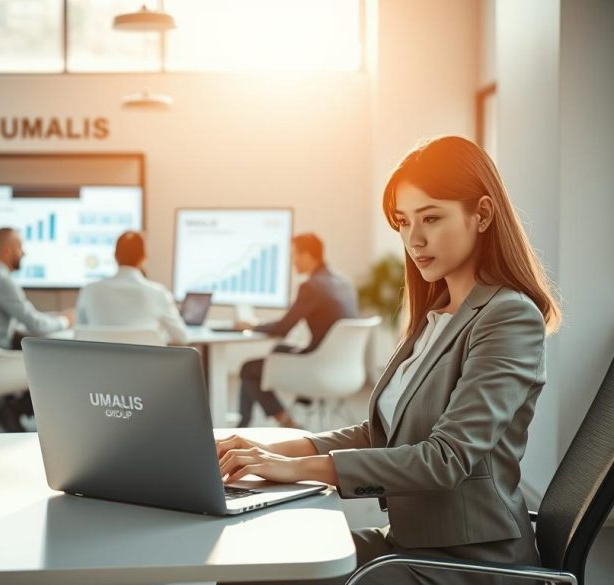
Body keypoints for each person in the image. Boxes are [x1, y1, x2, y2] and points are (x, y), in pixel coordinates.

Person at [216, 136, 561, 585]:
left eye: (431, 218)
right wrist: (261, 454)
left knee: (257, 574)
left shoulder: (508, 316)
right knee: (249, 558)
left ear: (482, 214)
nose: (413, 240)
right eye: (403, 222)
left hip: (470, 560)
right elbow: (378, 432)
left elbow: (445, 459)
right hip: (411, 541)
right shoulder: (436, 314)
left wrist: (296, 470)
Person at [234, 233, 358, 428]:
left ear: (307, 255)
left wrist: (252, 325)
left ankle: (284, 423)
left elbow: (283, 327)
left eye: (295, 255)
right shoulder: (344, 282)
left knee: (248, 369)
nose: (293, 261)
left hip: (318, 367)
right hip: (346, 368)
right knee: (279, 350)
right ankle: (300, 401)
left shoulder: (311, 286)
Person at [0, 227, 74, 431]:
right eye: (20, 247)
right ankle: (12, 410)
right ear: (7, 251)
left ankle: (9, 411)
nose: (24, 253)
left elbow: (18, 321)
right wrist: (65, 320)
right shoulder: (1, 280)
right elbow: (35, 325)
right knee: (57, 361)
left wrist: (48, 318)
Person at [75, 231, 189, 345]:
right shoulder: (158, 293)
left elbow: (79, 335)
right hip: (146, 362)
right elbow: (182, 337)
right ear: (144, 257)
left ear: (115, 256)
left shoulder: (89, 291)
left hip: (100, 362)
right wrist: (157, 337)